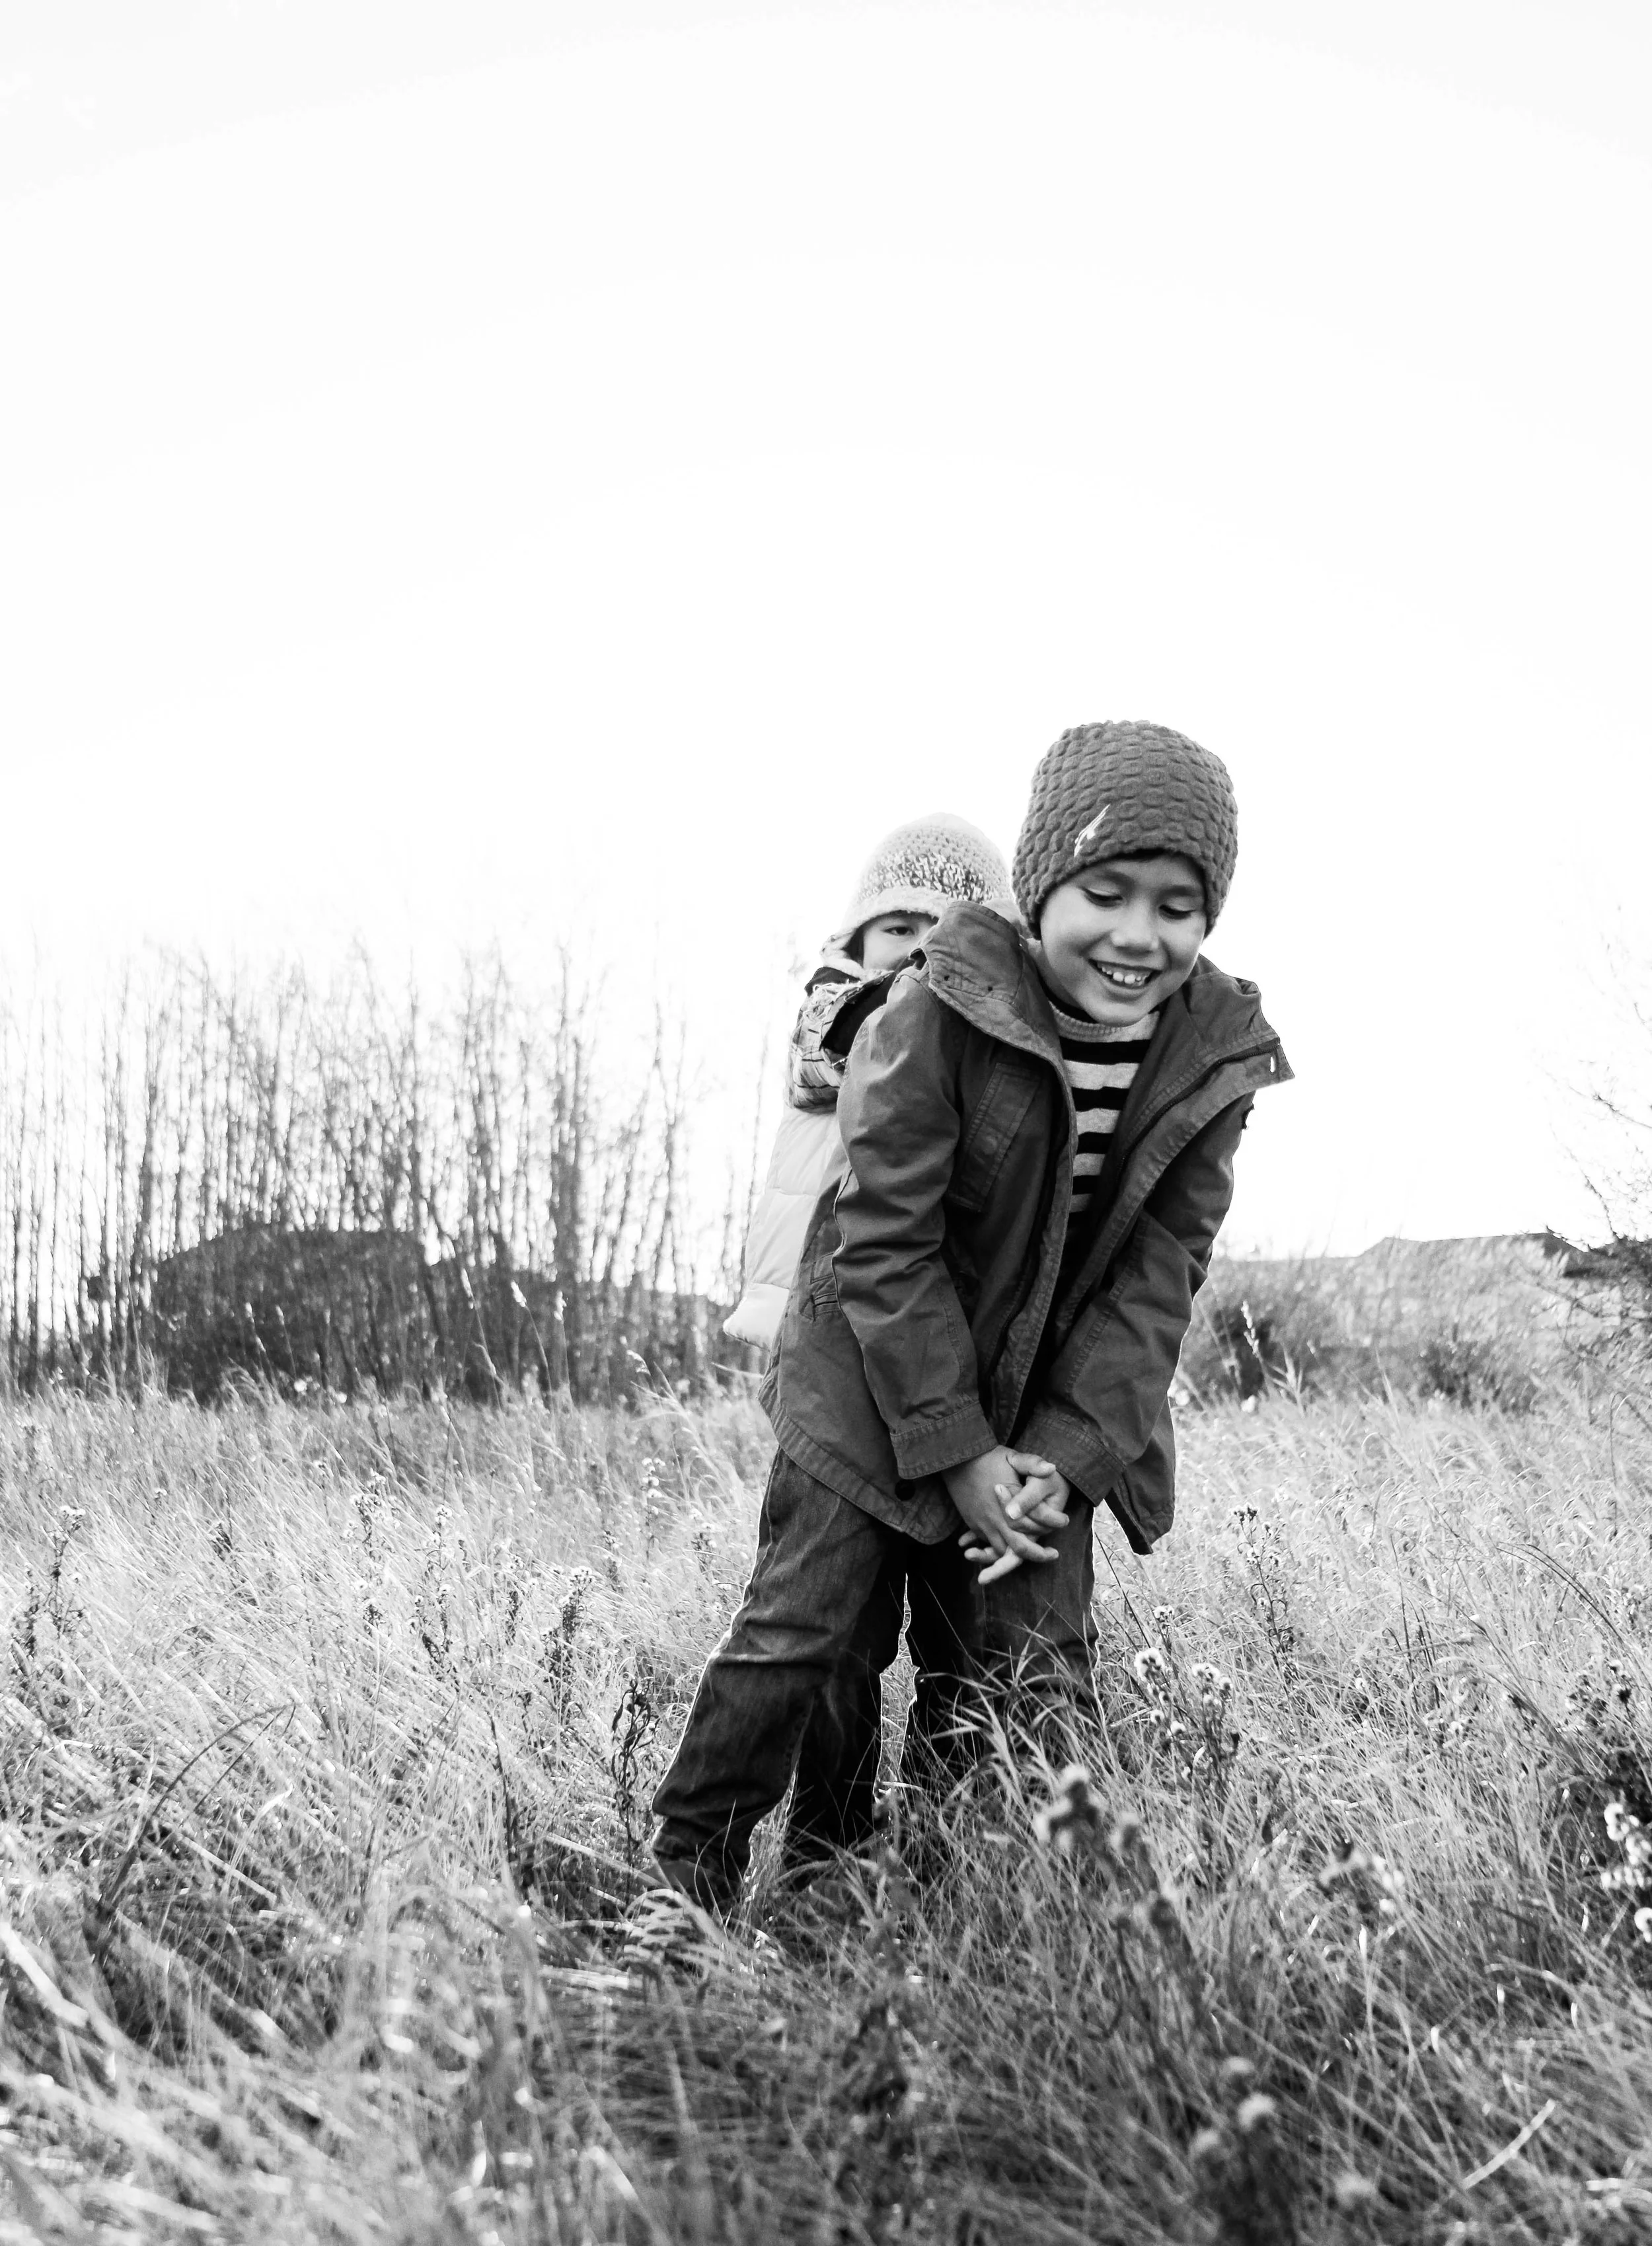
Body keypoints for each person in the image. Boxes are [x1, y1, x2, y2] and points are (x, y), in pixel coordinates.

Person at [651, 720, 1291, 1913]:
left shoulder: (1212, 1058)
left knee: (1026, 1671)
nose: (1139, 935)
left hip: (1045, 1411)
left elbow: (1158, 1281)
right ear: (1040, 887)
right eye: (1107, 893)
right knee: (808, 1635)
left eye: (1178, 905)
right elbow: (886, 1239)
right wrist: (957, 1449)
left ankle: (950, 1907)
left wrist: (1061, 1457)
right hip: (870, 1369)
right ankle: (687, 1884)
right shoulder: (935, 1005)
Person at [724, 812, 1012, 1352]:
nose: (921, 949)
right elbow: (843, 1048)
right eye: (899, 929)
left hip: (926, 1293)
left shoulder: (996, 1036)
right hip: (819, 1293)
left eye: (946, 930)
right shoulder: (830, 1012)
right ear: (857, 942)